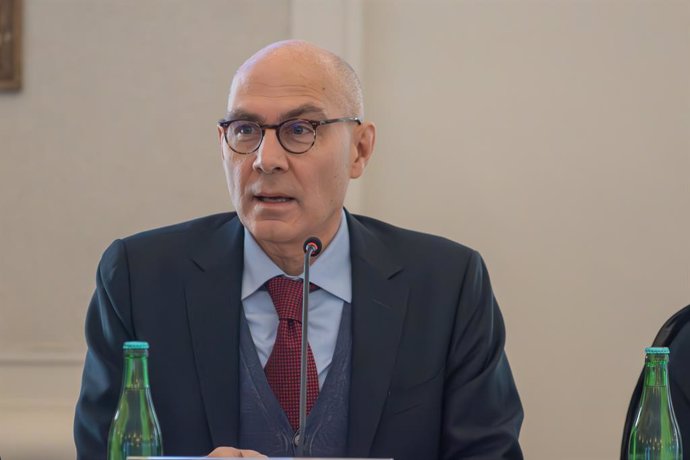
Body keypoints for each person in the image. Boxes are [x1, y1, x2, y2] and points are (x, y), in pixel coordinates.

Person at [74, 40, 524, 460]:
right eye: (246, 130)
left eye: (300, 129)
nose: (265, 159)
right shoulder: (140, 277)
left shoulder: (446, 283)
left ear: (360, 150)